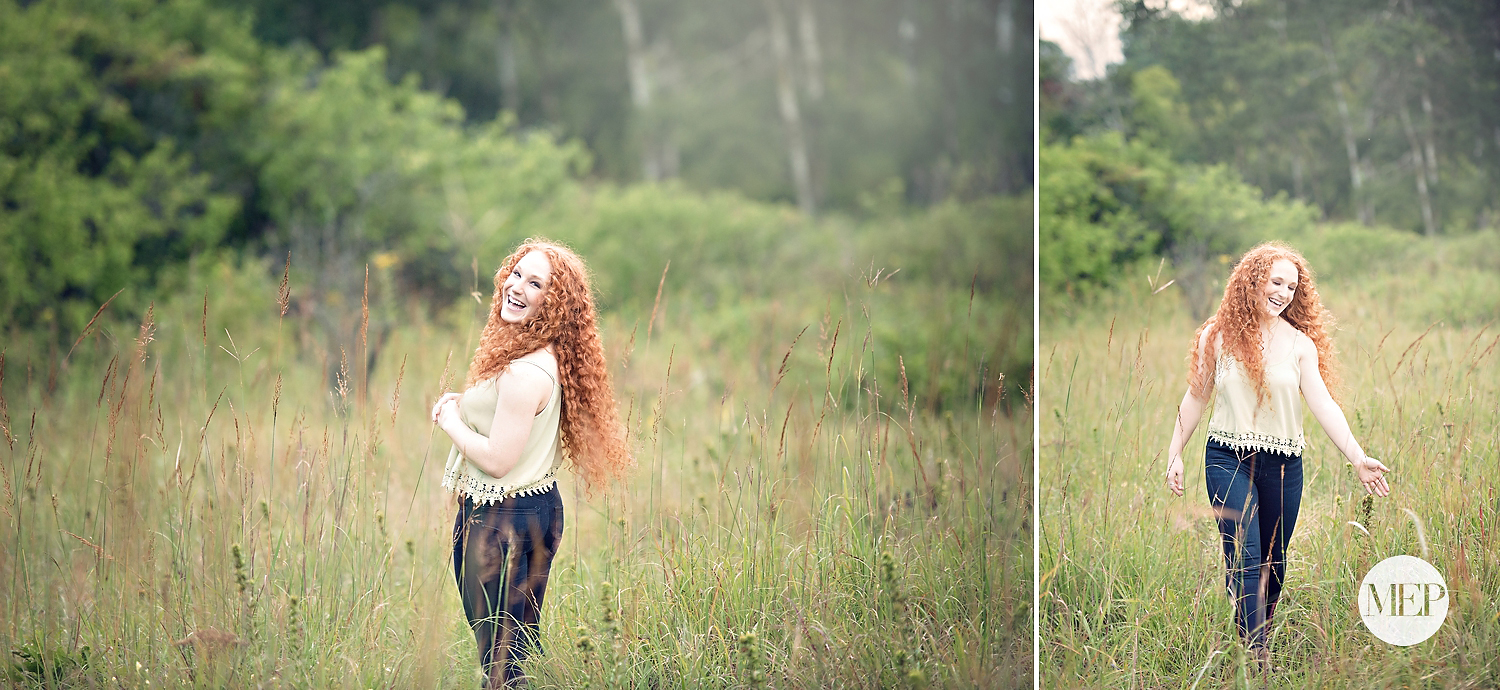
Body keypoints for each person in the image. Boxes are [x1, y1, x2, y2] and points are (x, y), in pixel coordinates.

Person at [1162, 242, 1391, 669]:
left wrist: (1358, 457)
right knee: (1246, 555)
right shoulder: (1218, 335)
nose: (1284, 292)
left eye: (1292, 286)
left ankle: (1254, 627)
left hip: (1283, 465)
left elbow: (1323, 404)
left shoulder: (1301, 345)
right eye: (1276, 281)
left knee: (1274, 561)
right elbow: (1195, 397)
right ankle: (1256, 654)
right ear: (1253, 281)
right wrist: (1175, 452)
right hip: (1226, 457)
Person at [432, 239, 632, 687]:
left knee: (500, 663)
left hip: (503, 519)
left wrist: (449, 421)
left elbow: (499, 460)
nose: (516, 287)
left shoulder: (525, 373)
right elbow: (514, 417)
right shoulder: (541, 358)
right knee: (514, 650)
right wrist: (468, 404)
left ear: (554, 304)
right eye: (516, 274)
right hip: (534, 509)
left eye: (535, 283)